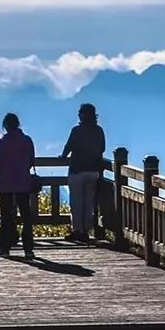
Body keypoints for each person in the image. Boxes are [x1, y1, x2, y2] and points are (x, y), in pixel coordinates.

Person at [0, 113, 35, 259]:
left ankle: (4, 247)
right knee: (26, 216)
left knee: (6, 216)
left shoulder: (2, 142)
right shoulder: (27, 141)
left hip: (6, 184)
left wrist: (3, 173)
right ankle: (28, 249)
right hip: (23, 182)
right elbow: (31, 160)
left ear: (5, 126)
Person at [61, 103, 106, 243]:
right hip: (93, 171)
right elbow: (102, 148)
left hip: (77, 170)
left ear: (82, 115)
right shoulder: (99, 130)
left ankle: (77, 231)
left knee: (76, 203)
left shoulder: (77, 130)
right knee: (88, 203)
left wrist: (62, 156)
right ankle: (86, 231)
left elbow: (68, 147)